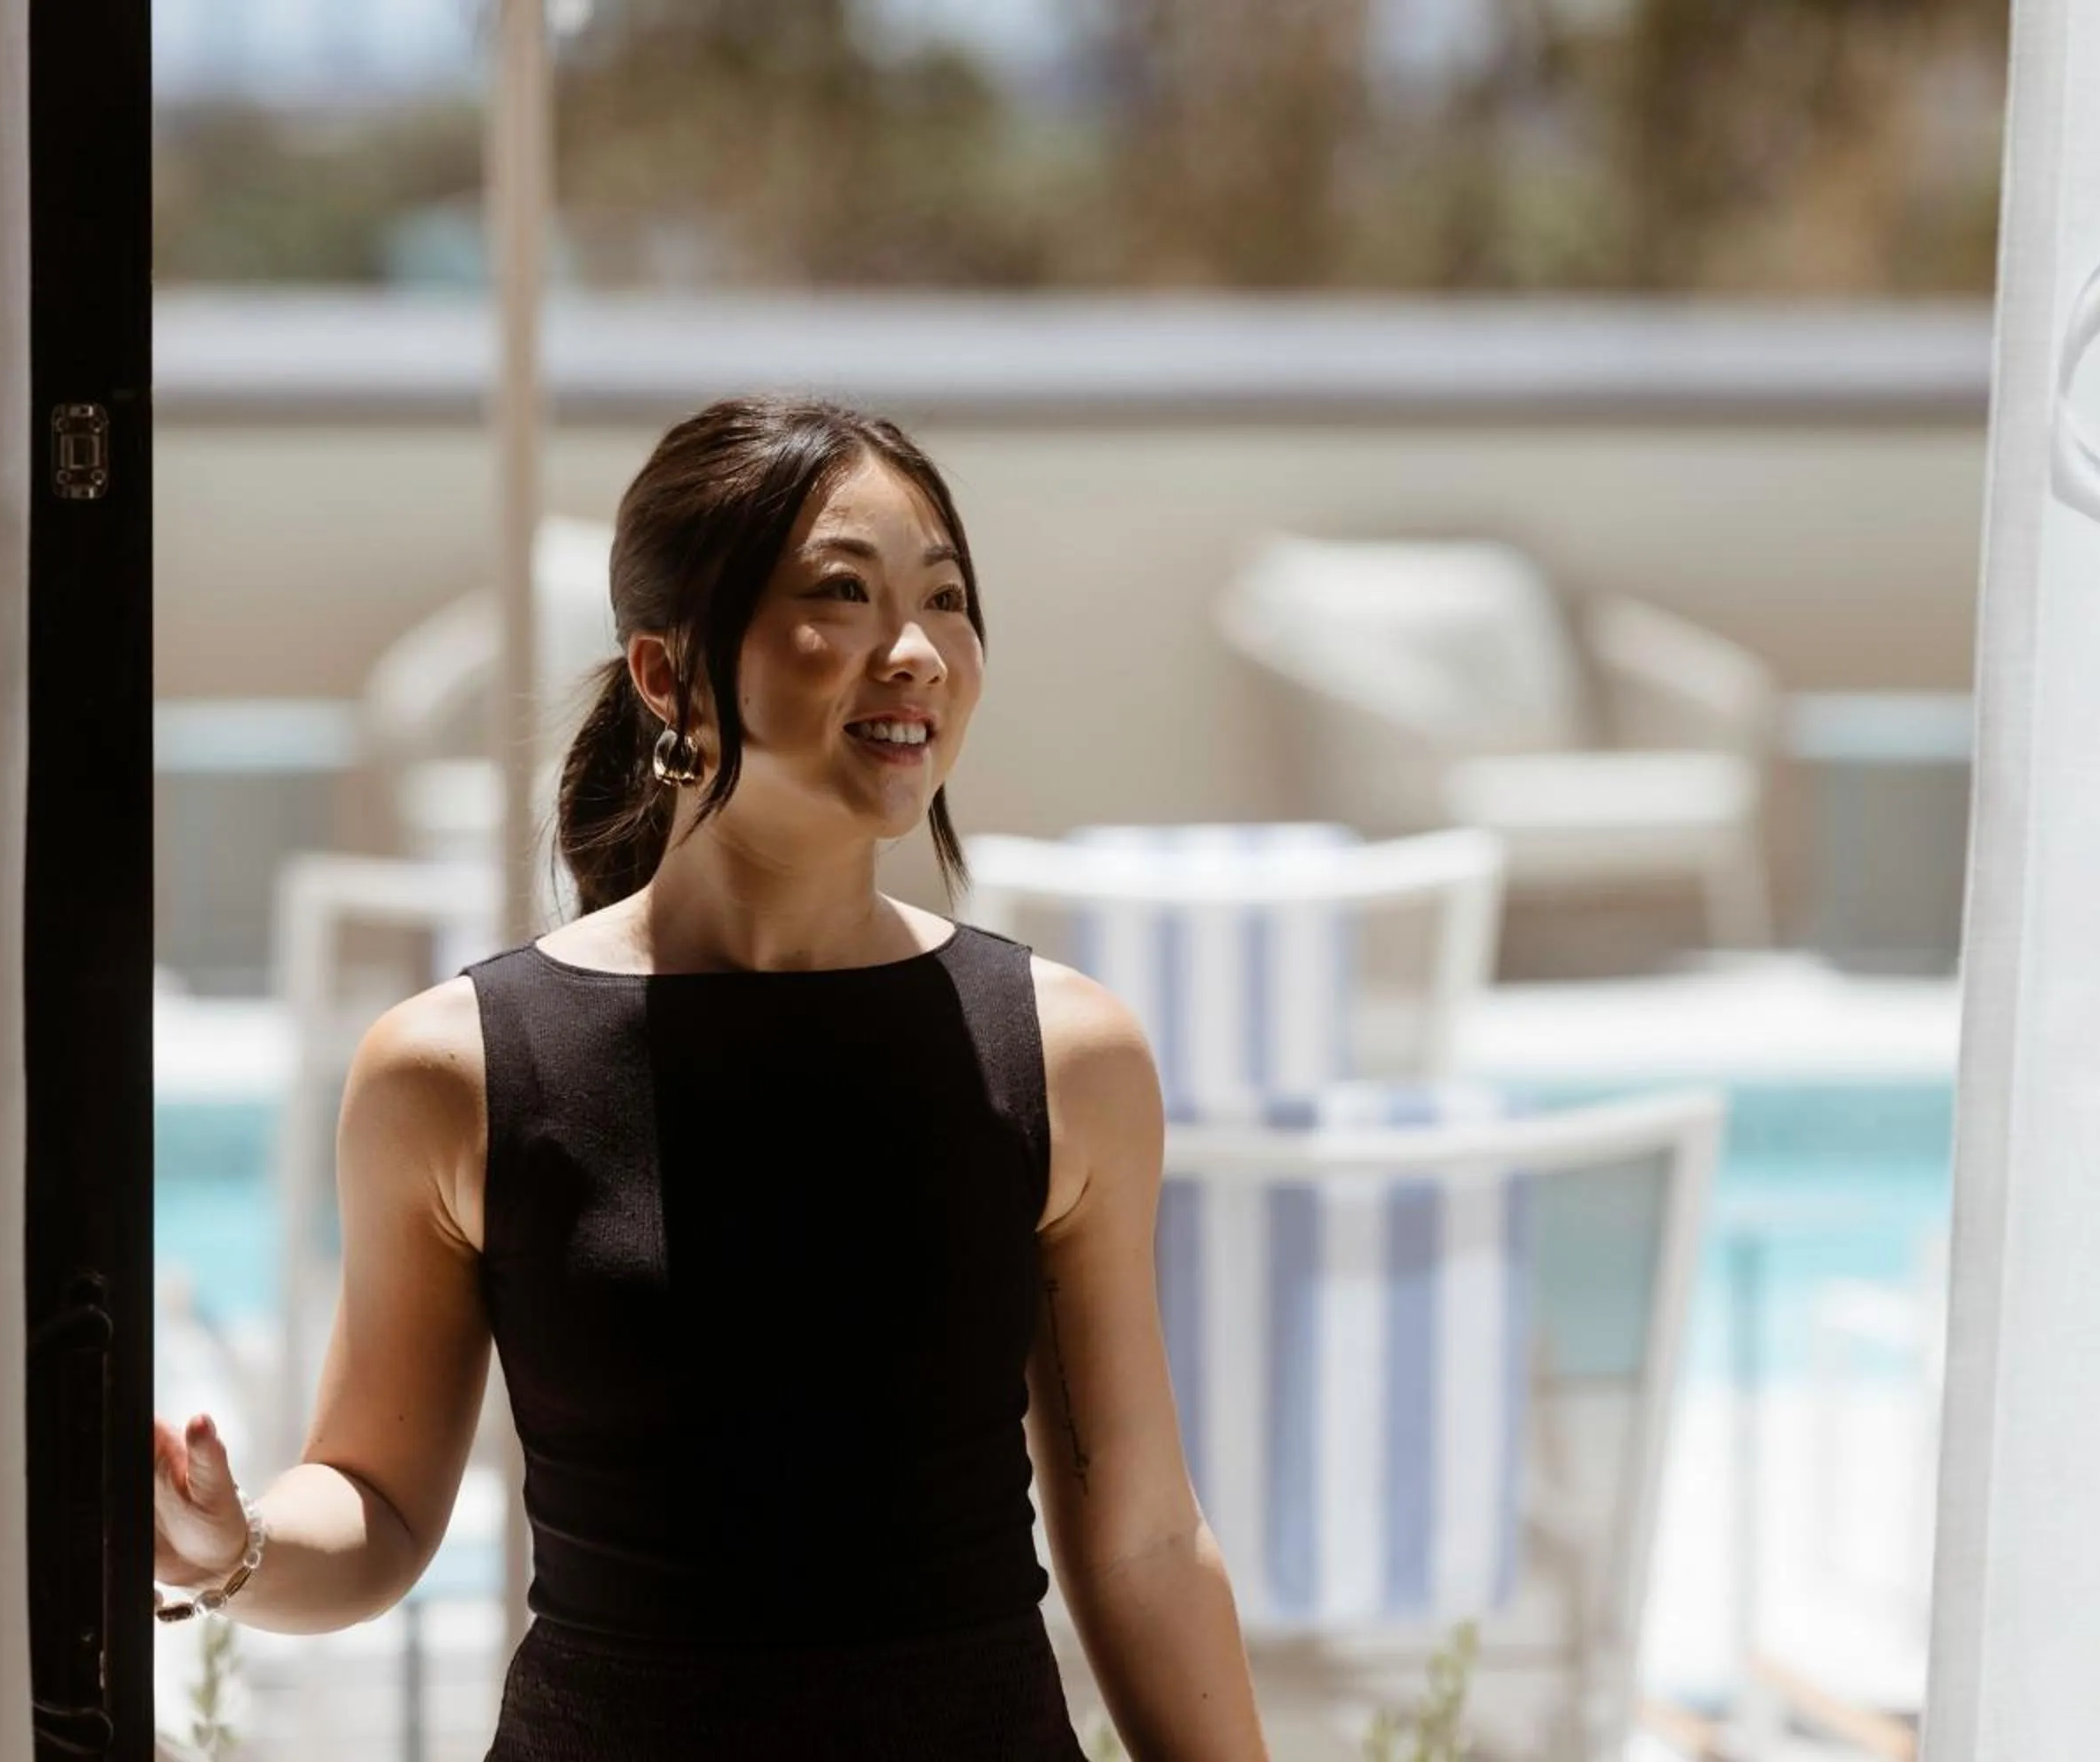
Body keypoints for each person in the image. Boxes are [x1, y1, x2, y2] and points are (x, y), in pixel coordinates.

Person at [150, 396, 1272, 1758]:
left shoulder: (1061, 1057)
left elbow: (1145, 1540)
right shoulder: (455, 1075)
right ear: (667, 676)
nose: (915, 653)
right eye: (841, 596)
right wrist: (232, 1547)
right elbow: (378, 1505)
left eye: (946, 600)